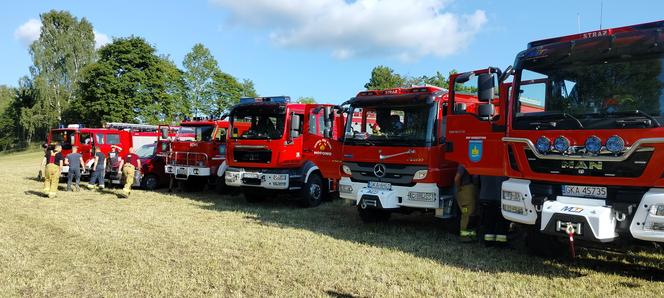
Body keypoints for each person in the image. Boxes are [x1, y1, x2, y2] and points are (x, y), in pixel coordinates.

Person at [479, 175, 509, 245]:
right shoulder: (503, 170)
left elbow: (476, 180)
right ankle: (501, 242)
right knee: (501, 220)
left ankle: (488, 241)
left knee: (488, 220)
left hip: (485, 197)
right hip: (500, 198)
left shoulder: (484, 168)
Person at [455, 165, 477, 242]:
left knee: (471, 214)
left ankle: (470, 235)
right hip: (466, 191)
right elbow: (457, 178)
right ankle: (464, 237)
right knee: (466, 214)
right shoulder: (463, 165)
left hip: (470, 190)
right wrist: (459, 189)